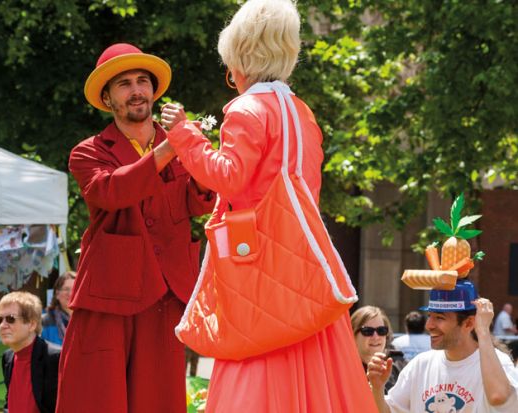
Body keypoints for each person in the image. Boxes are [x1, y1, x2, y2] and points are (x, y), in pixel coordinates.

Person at [161, 0, 378, 411]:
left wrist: (183, 134)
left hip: (254, 262)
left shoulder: (247, 110)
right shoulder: (302, 114)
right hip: (302, 261)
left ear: (238, 62)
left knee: (254, 365)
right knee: (319, 373)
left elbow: (228, 177)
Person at [56, 43, 215, 413]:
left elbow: (200, 200)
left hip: (166, 292)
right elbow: (111, 192)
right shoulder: (88, 151)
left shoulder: (178, 141)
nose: (137, 90)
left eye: (142, 81)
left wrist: (196, 149)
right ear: (108, 98)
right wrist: (171, 148)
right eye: (124, 84)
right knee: (97, 398)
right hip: (110, 293)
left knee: (159, 400)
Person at [367, 281, 518, 412]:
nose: (429, 325)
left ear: (469, 323)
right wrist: (378, 388)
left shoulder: (495, 362)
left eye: (439, 318)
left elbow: (498, 397)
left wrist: (483, 330)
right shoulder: (420, 365)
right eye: (429, 316)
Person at [0, 291, 60, 413]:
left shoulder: (55, 358)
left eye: (10, 319)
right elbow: (10, 402)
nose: (3, 325)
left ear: (31, 325)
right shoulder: (8, 357)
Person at [351, 305, 407, 393]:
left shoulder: (401, 366)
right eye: (367, 331)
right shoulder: (343, 369)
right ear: (353, 335)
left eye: (381, 330)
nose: (376, 337)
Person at [41, 271, 76, 345]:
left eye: (74, 289)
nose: (70, 293)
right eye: (66, 289)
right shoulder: (44, 320)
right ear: (57, 294)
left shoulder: (87, 320)